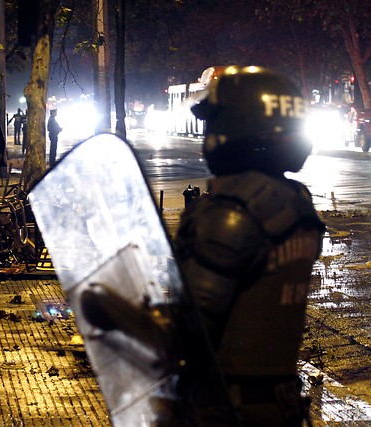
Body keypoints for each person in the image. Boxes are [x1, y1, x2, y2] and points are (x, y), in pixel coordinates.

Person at [83, 67, 325, 426]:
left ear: (229, 128)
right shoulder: (296, 205)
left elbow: (184, 335)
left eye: (212, 121)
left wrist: (107, 304)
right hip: (278, 407)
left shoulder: (233, 215)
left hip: (221, 411)